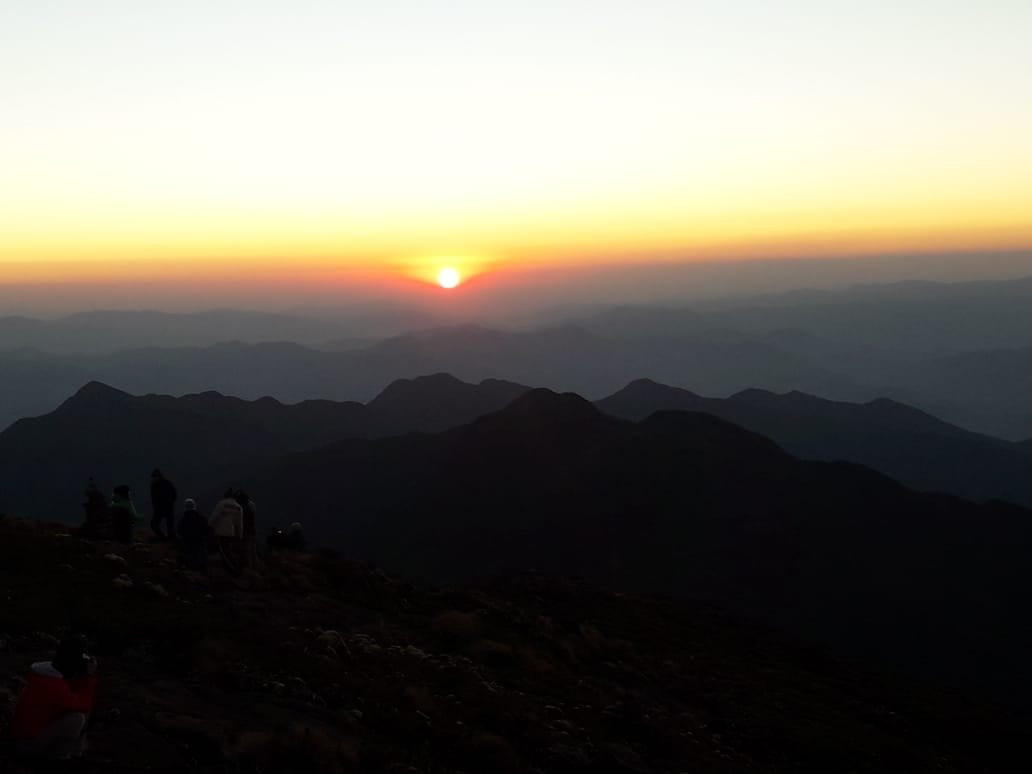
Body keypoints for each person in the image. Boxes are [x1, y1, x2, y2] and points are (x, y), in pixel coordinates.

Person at [12, 633, 99, 760]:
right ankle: (60, 757)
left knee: (77, 712)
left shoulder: (45, 675)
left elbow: (72, 697)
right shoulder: (53, 685)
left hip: (26, 735)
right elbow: (83, 705)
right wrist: (88, 678)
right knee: (77, 718)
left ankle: (74, 751)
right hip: (27, 744)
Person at [210, 488, 244, 571]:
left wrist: (209, 526)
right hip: (230, 532)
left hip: (220, 531)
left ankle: (234, 568)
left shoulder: (222, 504)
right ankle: (233, 567)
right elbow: (239, 523)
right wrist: (239, 535)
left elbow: (214, 517)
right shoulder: (238, 507)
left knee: (224, 552)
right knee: (227, 550)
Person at [177, 497, 209, 572]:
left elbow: (179, 531)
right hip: (200, 543)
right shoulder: (202, 518)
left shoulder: (182, 521)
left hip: (187, 544)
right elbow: (206, 530)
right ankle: (204, 569)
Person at [149, 468, 178, 540]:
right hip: (169, 508)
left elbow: (154, 499)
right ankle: (171, 541)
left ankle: (163, 538)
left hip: (159, 509)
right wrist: (170, 502)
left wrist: (156, 508)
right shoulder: (168, 483)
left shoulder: (154, 486)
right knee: (170, 527)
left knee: (154, 525)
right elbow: (175, 495)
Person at [234, 490, 258, 568]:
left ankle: (247, 567)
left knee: (245, 550)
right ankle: (254, 566)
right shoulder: (250, 506)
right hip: (251, 531)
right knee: (252, 550)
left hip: (245, 531)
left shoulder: (242, 509)